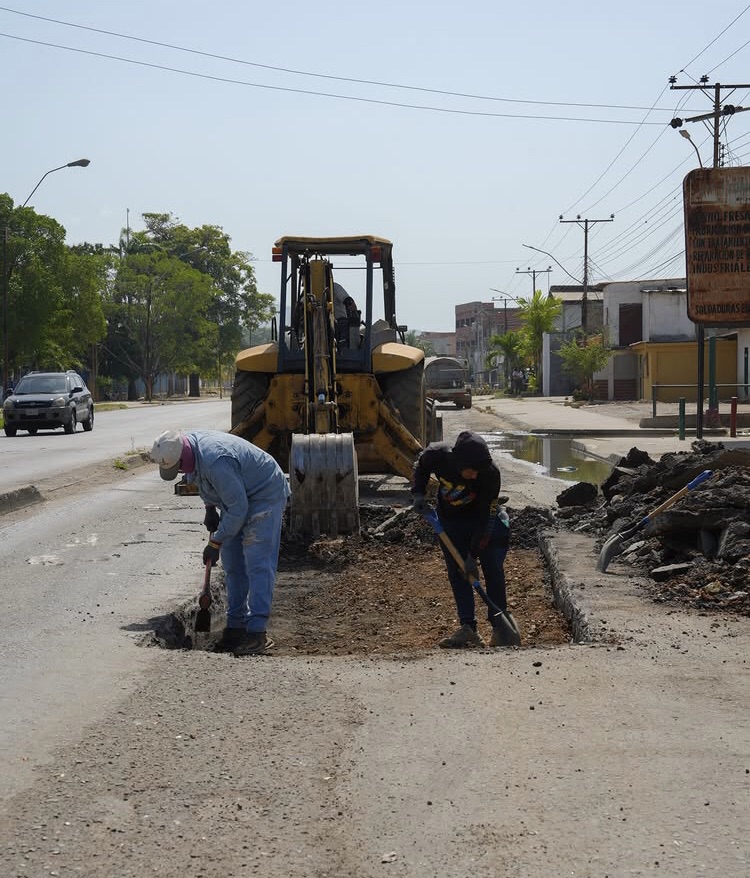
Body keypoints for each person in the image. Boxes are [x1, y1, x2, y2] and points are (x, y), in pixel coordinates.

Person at [152, 429, 290, 656]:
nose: (177, 472)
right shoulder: (189, 450)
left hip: (263, 493)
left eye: (176, 467)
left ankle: (257, 632)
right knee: (233, 563)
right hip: (237, 496)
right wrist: (209, 508)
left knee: (257, 561)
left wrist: (215, 542)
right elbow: (203, 481)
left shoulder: (216, 461)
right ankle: (236, 625)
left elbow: (239, 509)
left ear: (182, 458)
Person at [411, 430, 518, 648]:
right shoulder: (437, 455)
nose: (475, 476)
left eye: (479, 471)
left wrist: (472, 556)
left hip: (482, 521)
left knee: (492, 569)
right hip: (450, 521)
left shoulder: (489, 474)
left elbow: (484, 519)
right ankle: (468, 628)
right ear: (459, 462)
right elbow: (420, 468)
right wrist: (418, 494)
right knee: (458, 573)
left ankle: (500, 627)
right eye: (472, 471)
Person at [332, 282, 360, 349]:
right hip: (335, 323)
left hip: (339, 322)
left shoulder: (334, 287)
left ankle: (343, 347)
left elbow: (348, 301)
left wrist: (354, 313)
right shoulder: (307, 291)